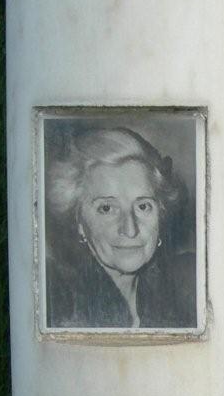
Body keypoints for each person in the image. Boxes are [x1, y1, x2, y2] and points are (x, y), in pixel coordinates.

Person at [45, 126, 196, 329]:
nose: (130, 229)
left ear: (161, 213)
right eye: (106, 208)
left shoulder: (187, 288)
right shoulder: (56, 298)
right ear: (79, 222)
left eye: (143, 206)